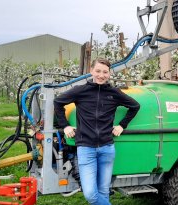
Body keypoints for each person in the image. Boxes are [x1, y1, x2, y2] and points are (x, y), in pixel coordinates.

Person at [54, 58, 140, 205]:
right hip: (86, 149)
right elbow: (58, 102)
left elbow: (135, 106)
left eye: (105, 72)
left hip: (107, 148)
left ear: (109, 74)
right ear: (91, 71)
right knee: (90, 194)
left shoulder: (114, 93)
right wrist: (65, 126)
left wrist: (122, 125)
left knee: (103, 191)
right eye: (98, 71)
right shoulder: (81, 91)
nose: (101, 75)